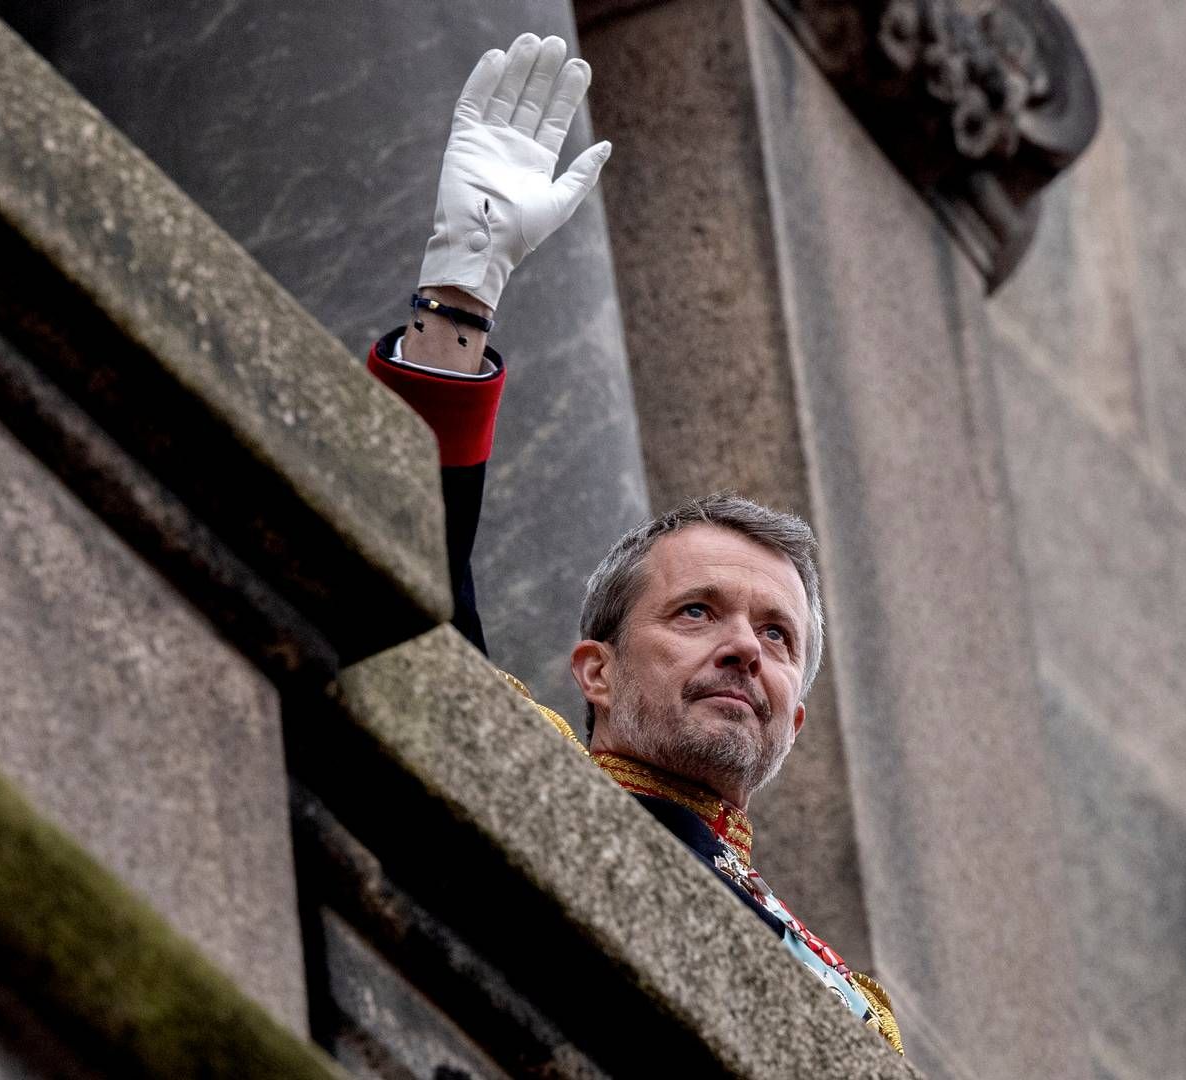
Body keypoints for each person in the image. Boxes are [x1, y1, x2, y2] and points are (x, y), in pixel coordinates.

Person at [363, 33, 903, 1055]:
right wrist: (462, 287)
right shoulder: (522, 776)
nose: (748, 647)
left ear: (798, 714)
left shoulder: (852, 1001)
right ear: (595, 670)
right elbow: (401, 559)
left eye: (779, 637)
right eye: (697, 611)